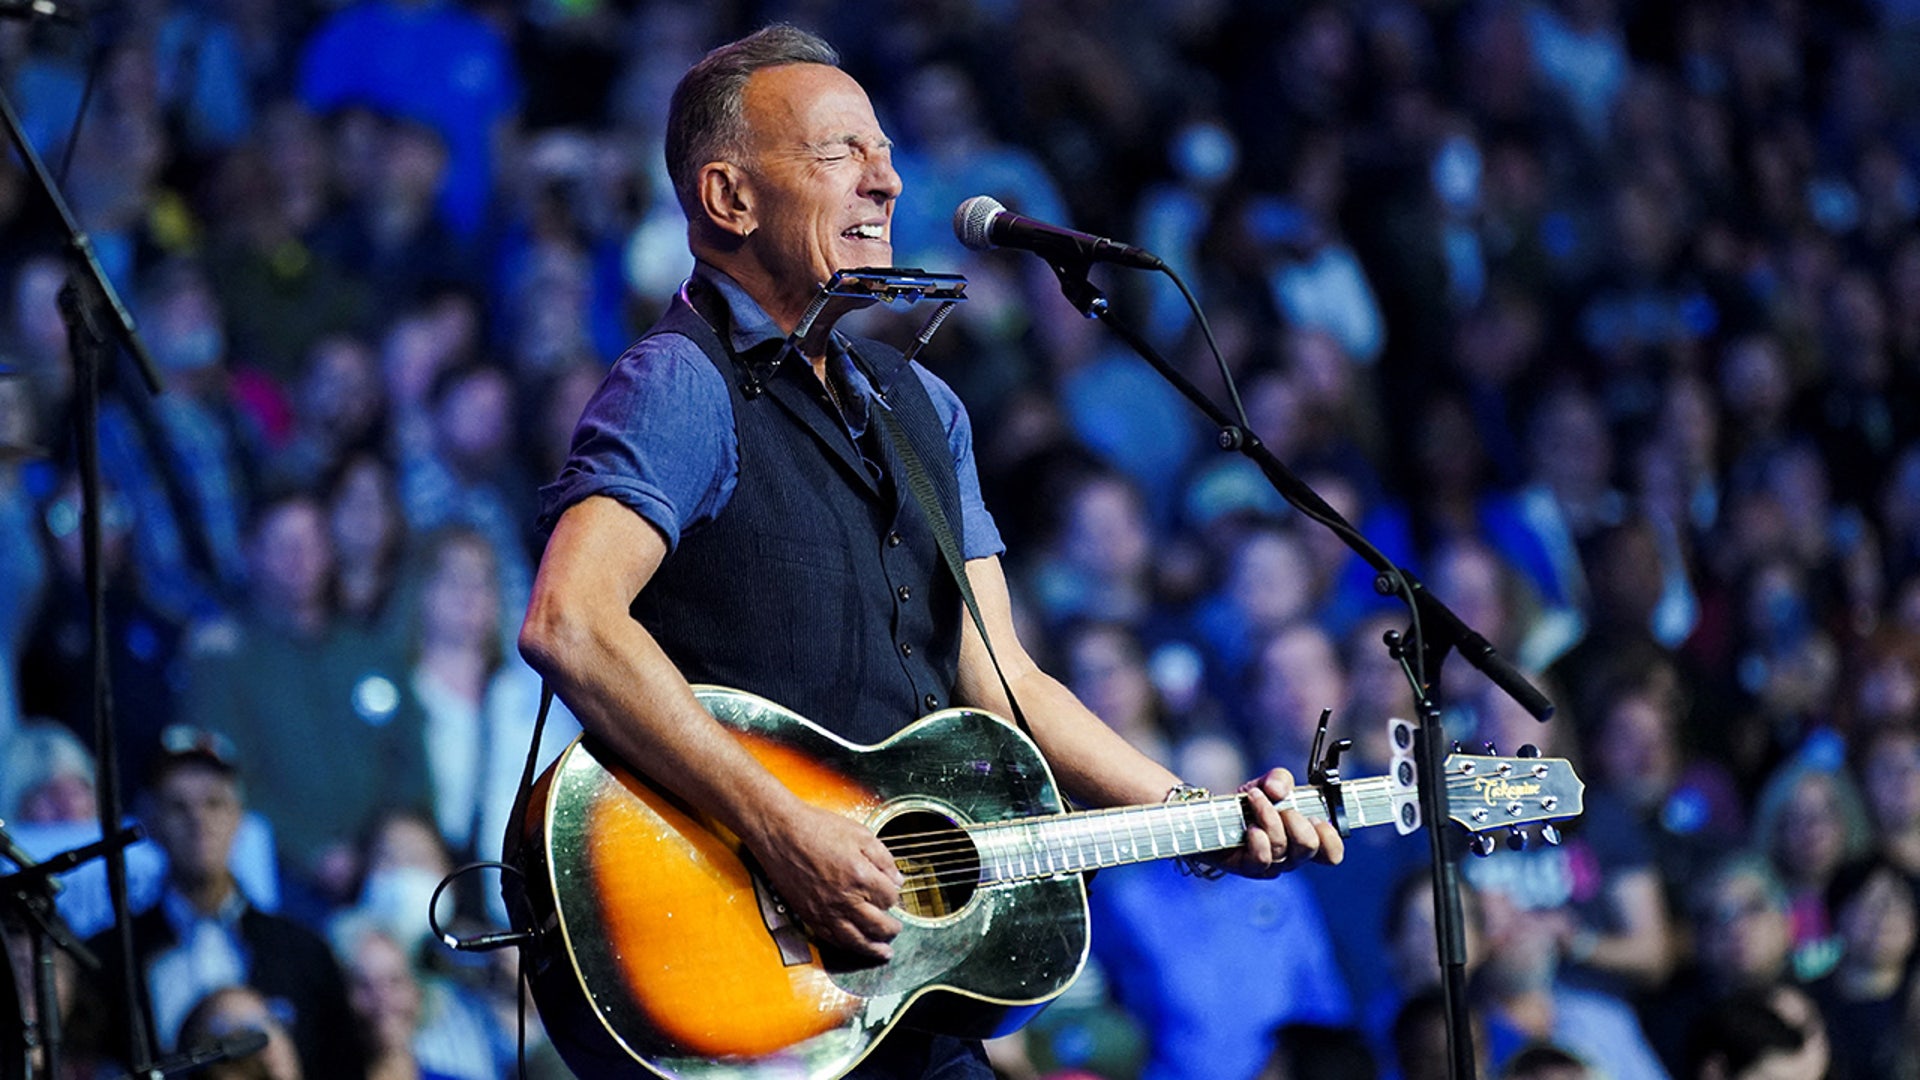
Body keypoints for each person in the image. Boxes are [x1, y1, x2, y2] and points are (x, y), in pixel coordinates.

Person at [517, 24, 1344, 1080]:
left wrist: (1196, 816)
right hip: (745, 973)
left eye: (885, 152)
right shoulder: (683, 383)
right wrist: (781, 830)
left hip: (901, 975)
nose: (889, 180)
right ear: (728, 199)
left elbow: (1005, 683)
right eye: (839, 154)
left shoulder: (923, 409)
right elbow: (570, 622)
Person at [85, 727, 364, 1080]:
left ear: (240, 818)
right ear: (150, 823)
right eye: (178, 807)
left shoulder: (303, 953)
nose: (199, 821)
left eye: (215, 803)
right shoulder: (110, 957)